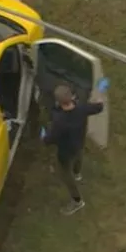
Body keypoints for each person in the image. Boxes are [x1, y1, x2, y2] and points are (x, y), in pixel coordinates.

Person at [42, 84, 105, 215]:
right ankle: (77, 174)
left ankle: (77, 201)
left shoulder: (60, 121)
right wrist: (100, 91)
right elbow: (99, 107)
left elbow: (50, 139)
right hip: (79, 143)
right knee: (78, 156)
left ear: (58, 102)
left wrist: (43, 136)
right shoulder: (82, 108)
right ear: (72, 97)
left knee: (66, 175)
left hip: (65, 152)